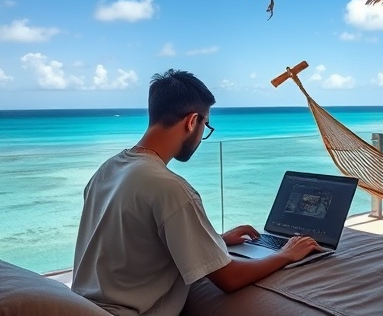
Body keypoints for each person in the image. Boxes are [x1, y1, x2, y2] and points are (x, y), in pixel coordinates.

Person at [71, 69, 322, 316]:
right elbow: (229, 279)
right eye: (206, 125)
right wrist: (286, 254)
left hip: (83, 307)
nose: (203, 135)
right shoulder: (170, 188)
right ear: (192, 121)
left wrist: (214, 241)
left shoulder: (109, 169)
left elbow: (129, 244)